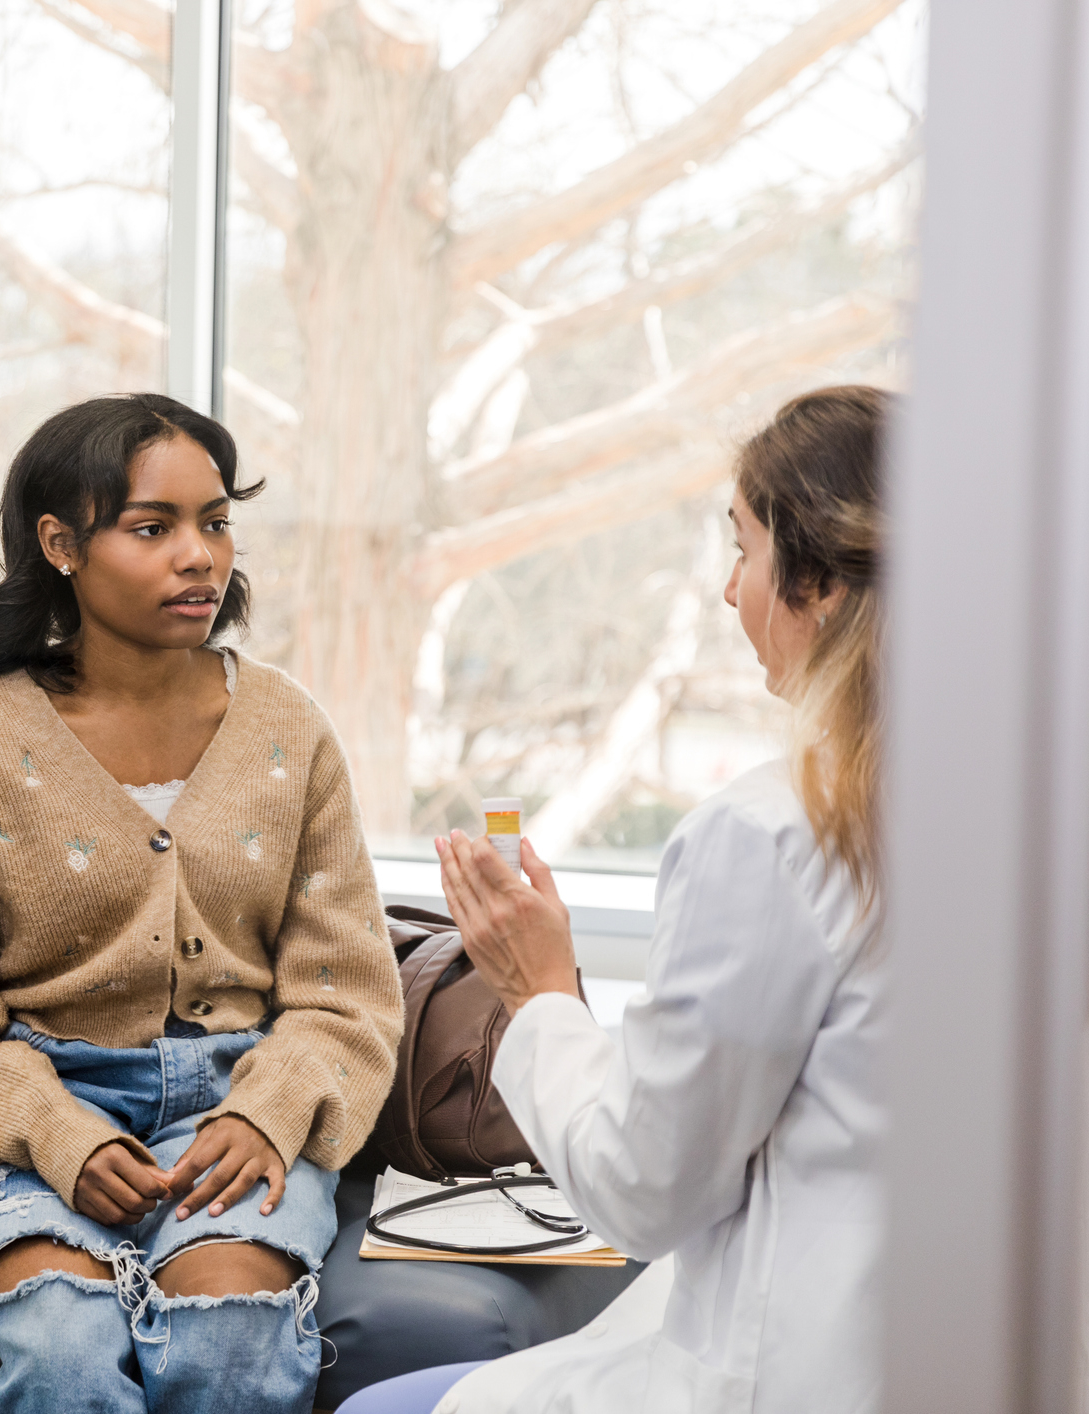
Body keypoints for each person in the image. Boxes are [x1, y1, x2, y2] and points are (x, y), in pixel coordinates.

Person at [339, 385, 888, 1414]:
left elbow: (643, 1191)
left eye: (744, 551)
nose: (733, 594)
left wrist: (538, 989)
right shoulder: (1055, 805)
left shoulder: (772, 833)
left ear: (812, 579)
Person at [0, 393, 404, 1414]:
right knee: (64, 1355)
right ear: (62, 543)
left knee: (232, 1351)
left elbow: (347, 993)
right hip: (33, 1112)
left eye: (215, 521)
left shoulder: (290, 729)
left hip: (234, 1107)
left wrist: (269, 1109)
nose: (199, 555)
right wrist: (57, 1133)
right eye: (152, 528)